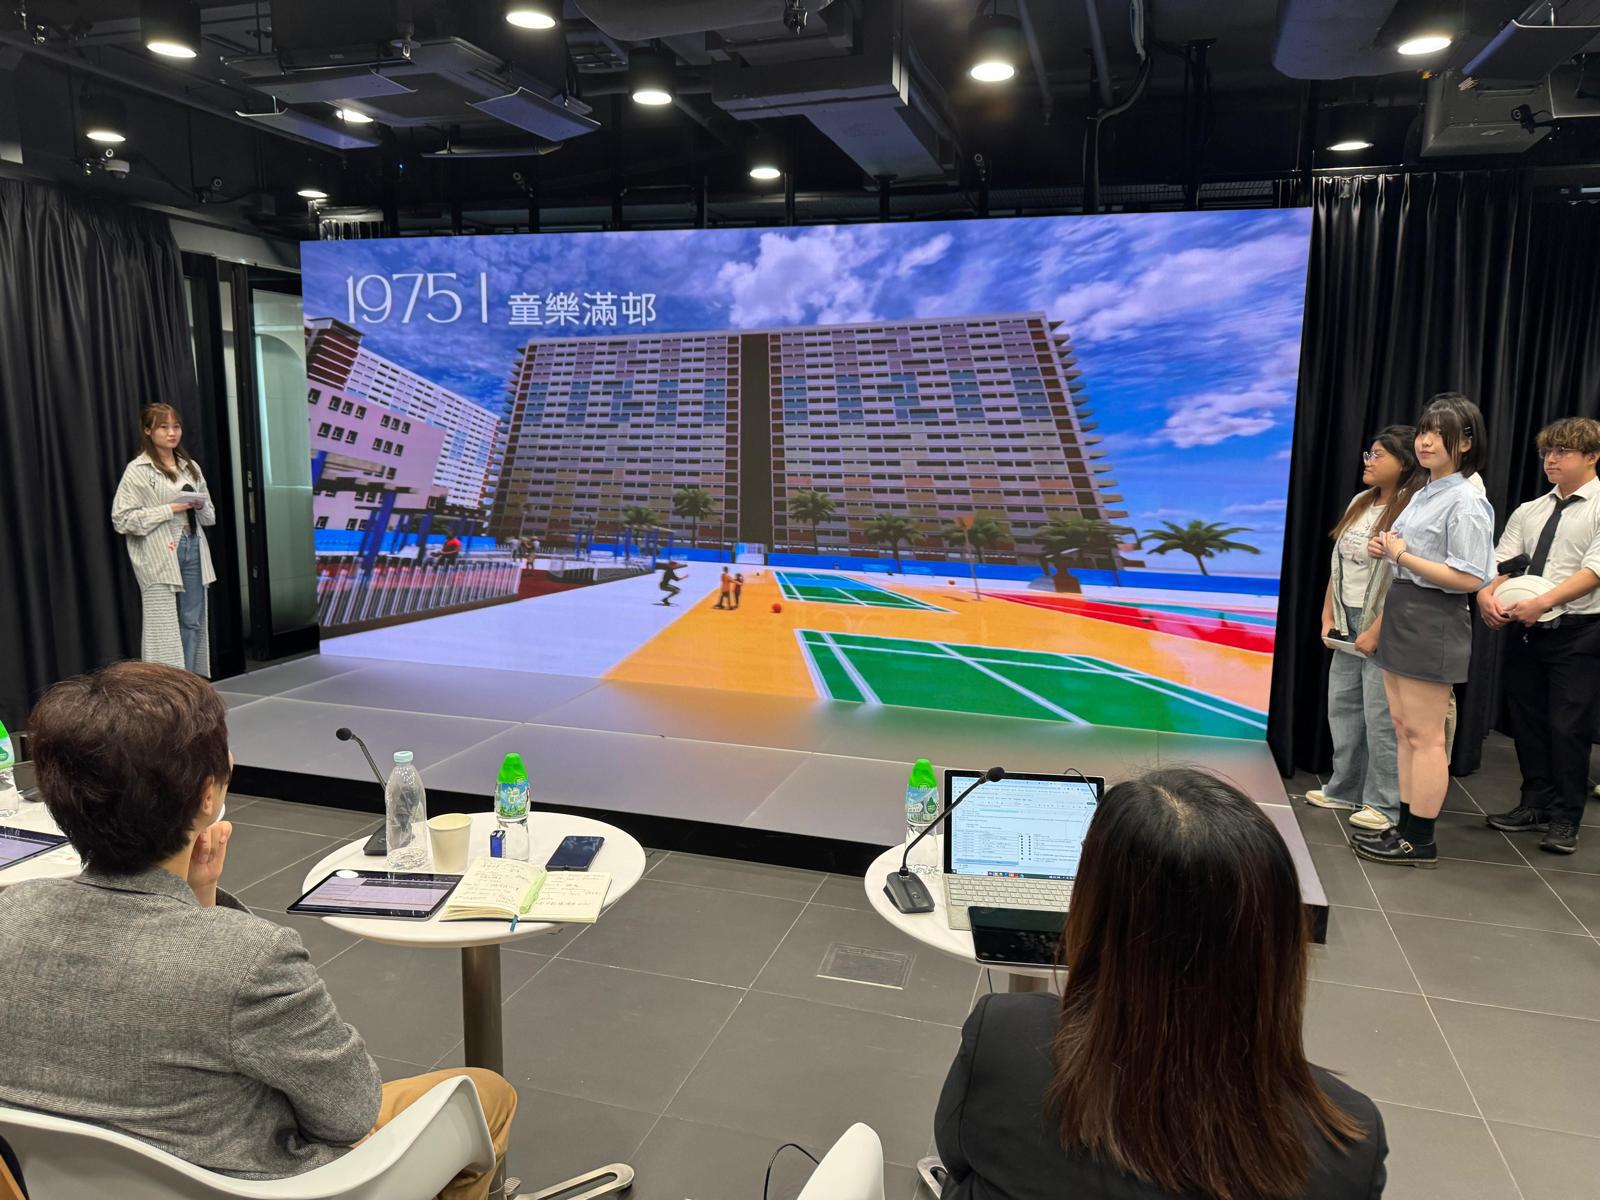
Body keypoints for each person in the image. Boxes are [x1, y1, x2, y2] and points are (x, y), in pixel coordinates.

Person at [0, 663, 517, 1199]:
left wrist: (200, 901)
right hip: (265, 1183)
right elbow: (350, 1113)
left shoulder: (10, 913)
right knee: (486, 1094)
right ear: (207, 796)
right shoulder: (251, 959)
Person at [934, 768, 1386, 1200]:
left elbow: (958, 1163)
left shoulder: (1004, 1040)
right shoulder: (1351, 1144)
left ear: (1097, 909)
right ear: (1278, 937)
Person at [1357, 393, 1495, 868]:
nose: (1426, 441)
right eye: (1423, 431)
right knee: (1404, 729)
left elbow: (1470, 576)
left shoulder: (1467, 499)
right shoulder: (1426, 491)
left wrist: (1403, 556)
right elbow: (1413, 554)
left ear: (1467, 442)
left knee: (1426, 735)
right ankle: (1405, 826)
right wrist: (1389, 550)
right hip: (1405, 607)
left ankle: (1421, 839)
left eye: (1440, 433)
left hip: (1434, 616)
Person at [1478, 416, 1600, 855]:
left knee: (1568, 726)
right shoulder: (1530, 510)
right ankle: (1535, 803)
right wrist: (1486, 596)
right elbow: (1501, 563)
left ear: (1592, 456)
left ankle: (1566, 817)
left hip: (1579, 631)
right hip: (1527, 630)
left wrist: (1543, 602)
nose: (1551, 459)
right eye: (1547, 451)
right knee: (1527, 721)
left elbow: (1594, 571)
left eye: (1563, 451)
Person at [1308, 427, 1424, 836]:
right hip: (1347, 616)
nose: (1369, 462)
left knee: (1381, 716)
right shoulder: (1360, 501)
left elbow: (1406, 579)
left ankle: (1384, 803)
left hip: (1385, 620)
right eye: (1368, 454)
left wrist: (1376, 628)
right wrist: (1327, 614)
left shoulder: (1412, 509)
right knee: (1343, 707)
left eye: (1378, 455)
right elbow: (1338, 565)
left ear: (1404, 462)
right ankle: (1345, 789)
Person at [111, 404, 216, 676]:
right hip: (159, 552)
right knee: (163, 626)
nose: (172, 433)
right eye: (164, 427)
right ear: (148, 431)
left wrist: (199, 504)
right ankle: (167, 687)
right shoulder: (138, 469)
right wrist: (170, 509)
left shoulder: (190, 467)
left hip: (193, 544)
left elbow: (210, 517)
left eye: (176, 426)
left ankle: (189, 683)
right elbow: (122, 519)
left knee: (192, 620)